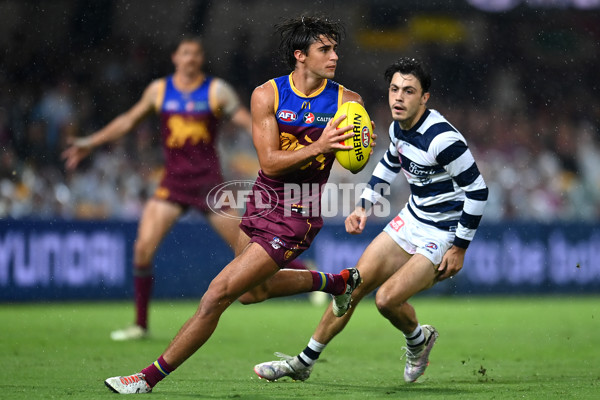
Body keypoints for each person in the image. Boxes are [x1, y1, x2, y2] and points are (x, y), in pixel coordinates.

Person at [103, 16, 373, 394]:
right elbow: (270, 161)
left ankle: (146, 379)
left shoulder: (348, 102)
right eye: (324, 50)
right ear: (300, 55)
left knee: (218, 294)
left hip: (298, 213)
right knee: (252, 292)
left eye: (334, 49)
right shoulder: (268, 95)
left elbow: (357, 155)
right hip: (262, 200)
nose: (334, 57)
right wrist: (321, 146)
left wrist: (357, 149)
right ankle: (338, 282)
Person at [253, 57, 489, 384]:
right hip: (413, 218)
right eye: (394, 89)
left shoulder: (442, 140)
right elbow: (390, 164)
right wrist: (365, 206)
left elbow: (477, 191)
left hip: (445, 232)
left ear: (424, 98)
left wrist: (460, 248)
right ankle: (304, 362)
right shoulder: (398, 128)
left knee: (387, 300)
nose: (398, 97)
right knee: (352, 285)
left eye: (408, 91)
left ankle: (418, 340)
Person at [61, 36, 260, 341]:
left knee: (249, 251)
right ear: (175, 58)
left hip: (209, 186)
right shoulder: (159, 90)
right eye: (185, 53)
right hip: (173, 184)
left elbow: (246, 120)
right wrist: (90, 142)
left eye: (195, 54)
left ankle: (301, 268)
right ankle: (140, 325)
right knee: (142, 248)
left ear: (201, 59)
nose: (190, 59)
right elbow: (128, 121)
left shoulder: (216, 90)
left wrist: (270, 140)